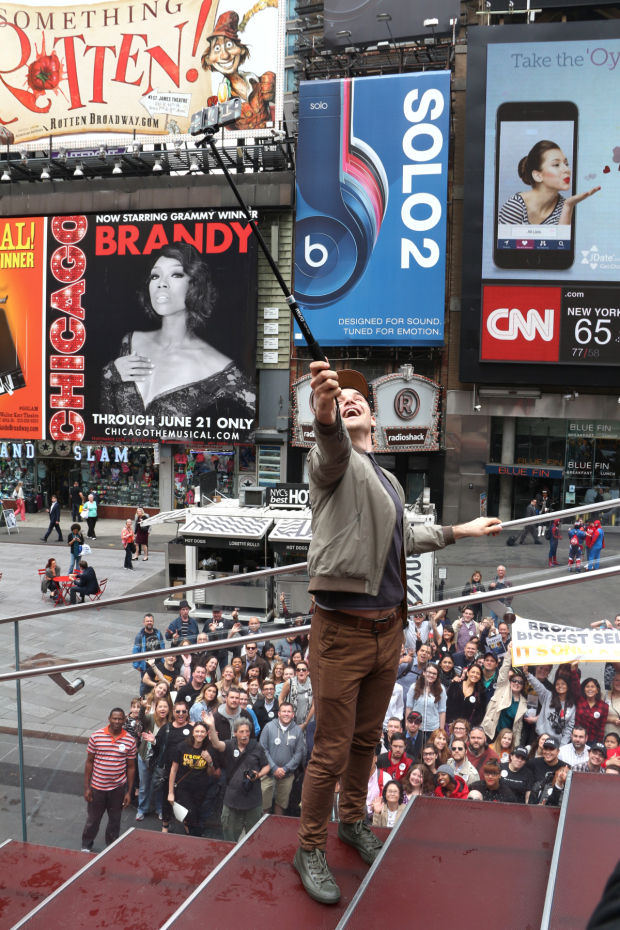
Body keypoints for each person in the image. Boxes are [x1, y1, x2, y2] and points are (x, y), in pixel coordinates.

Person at [293, 360, 500, 905]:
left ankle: (353, 822)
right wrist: (323, 412)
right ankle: (309, 847)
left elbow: (408, 533)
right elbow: (330, 448)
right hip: (341, 632)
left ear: (377, 427)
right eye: (346, 401)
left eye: (361, 402)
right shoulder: (333, 464)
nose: (352, 402)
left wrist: (461, 529)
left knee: (366, 739)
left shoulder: (385, 478)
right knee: (331, 750)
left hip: (389, 632)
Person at [100, 243, 255, 421]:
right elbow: (106, 426)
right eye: (155, 276)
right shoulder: (131, 341)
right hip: (118, 450)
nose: (161, 284)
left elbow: (257, 422)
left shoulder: (218, 368)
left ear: (195, 285)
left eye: (176, 274)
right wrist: (109, 375)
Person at [200, 11, 276, 132]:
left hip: (270, 144)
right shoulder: (221, 101)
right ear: (209, 59)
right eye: (217, 48)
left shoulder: (263, 82)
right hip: (245, 146)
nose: (224, 55)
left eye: (229, 44)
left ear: (240, 50)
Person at [498, 138, 599, 228]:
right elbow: (505, 248)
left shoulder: (563, 208)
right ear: (538, 176)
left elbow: (560, 247)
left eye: (566, 163)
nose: (567, 169)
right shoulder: (515, 206)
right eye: (556, 165)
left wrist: (568, 207)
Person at [205, 714, 270, 842]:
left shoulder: (257, 747)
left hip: (253, 799)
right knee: (230, 835)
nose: (245, 734)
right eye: (241, 732)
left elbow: (266, 766)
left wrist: (259, 775)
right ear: (235, 733)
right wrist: (211, 725)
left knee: (254, 836)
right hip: (232, 799)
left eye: (247, 731)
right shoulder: (230, 744)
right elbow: (217, 744)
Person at [81, 708, 137, 852]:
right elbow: (89, 762)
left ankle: (111, 847)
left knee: (115, 821)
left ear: (124, 720)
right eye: (114, 718)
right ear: (109, 719)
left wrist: (129, 792)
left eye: (120, 719)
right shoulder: (96, 736)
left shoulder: (130, 741)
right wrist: (87, 787)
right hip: (97, 788)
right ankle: (86, 845)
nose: (117, 722)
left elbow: (131, 767)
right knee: (93, 820)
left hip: (117, 789)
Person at [152, 701, 195, 834]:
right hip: (168, 771)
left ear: (187, 713)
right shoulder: (167, 728)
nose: (181, 714)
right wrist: (153, 741)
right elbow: (158, 748)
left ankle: (187, 826)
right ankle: (165, 825)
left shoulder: (193, 728)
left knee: (187, 800)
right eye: (178, 711)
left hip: (186, 772)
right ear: (174, 713)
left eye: (183, 711)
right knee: (167, 800)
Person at [167, 721, 215, 836]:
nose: (200, 734)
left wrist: (210, 762)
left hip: (200, 788)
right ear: (192, 733)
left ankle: (190, 835)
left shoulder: (209, 749)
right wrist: (171, 793)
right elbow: (173, 770)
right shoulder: (182, 747)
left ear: (206, 734)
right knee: (190, 812)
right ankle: (195, 835)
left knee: (197, 813)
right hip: (183, 787)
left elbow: (210, 773)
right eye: (197, 731)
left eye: (202, 732)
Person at [260, 701, 304, 815]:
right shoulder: (269, 727)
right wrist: (274, 768)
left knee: (281, 804)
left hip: (287, 775)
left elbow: (299, 753)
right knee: (264, 804)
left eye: (289, 711)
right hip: (268, 774)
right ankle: (264, 829)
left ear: (293, 714)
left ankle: (276, 828)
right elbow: (263, 748)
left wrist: (285, 769)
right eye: (284, 711)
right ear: (278, 713)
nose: (286, 714)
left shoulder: (298, 730)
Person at [136, 697, 171, 820]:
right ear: (156, 708)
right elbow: (141, 718)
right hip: (145, 757)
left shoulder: (171, 723)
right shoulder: (151, 718)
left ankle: (160, 809)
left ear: (169, 709)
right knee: (144, 785)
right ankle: (142, 809)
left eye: (165, 707)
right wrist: (143, 706)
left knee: (160, 785)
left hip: (161, 760)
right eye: (160, 706)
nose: (162, 709)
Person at [525, 665, 575, 745]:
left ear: (568, 687)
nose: (560, 686)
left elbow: (569, 728)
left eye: (563, 684)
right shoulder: (548, 696)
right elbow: (538, 685)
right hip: (541, 737)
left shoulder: (571, 706)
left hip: (557, 743)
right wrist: (527, 674)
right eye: (557, 684)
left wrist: (562, 745)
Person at [483, 660, 527, 746]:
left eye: (520, 682)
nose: (516, 683)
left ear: (523, 686)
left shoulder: (523, 703)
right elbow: (503, 671)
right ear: (510, 682)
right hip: (491, 732)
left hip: (507, 738)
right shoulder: (502, 689)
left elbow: (518, 728)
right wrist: (508, 653)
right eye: (514, 680)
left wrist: (516, 746)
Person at [570, 661, 609, 742]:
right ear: (584, 690)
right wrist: (574, 669)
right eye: (587, 686)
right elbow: (576, 685)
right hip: (577, 738)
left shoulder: (604, 706)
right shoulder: (579, 699)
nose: (590, 689)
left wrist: (598, 744)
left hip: (592, 740)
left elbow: (601, 727)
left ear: (597, 690)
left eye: (592, 687)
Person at [406, 665, 447, 741]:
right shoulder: (414, 687)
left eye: (434, 674)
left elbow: (442, 711)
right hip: (416, 726)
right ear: (424, 672)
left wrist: (441, 730)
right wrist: (407, 725)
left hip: (433, 728)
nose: (431, 675)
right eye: (429, 672)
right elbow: (409, 707)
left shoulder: (441, 689)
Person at [132, 614, 166, 695]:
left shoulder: (158, 633)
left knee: (158, 683)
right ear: (144, 622)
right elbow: (136, 650)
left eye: (151, 621)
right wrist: (136, 665)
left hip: (158, 665)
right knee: (145, 686)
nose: (149, 623)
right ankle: (143, 698)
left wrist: (163, 661)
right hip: (146, 666)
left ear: (153, 622)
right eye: (147, 621)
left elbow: (162, 646)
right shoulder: (140, 635)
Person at [446, 663, 486, 728]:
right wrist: (449, 721)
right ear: (467, 673)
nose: (475, 675)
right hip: (451, 724)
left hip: (467, 727)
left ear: (480, 677)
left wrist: (471, 725)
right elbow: (447, 703)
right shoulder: (455, 685)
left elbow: (481, 713)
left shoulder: (481, 692)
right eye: (473, 672)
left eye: (478, 673)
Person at [279, 661, 314, 734]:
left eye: (303, 670)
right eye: (298, 670)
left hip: (308, 721)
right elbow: (281, 699)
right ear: (296, 673)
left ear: (308, 672)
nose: (301, 671)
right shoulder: (289, 683)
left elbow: (314, 706)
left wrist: (305, 723)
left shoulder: (313, 684)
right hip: (290, 721)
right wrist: (285, 715)